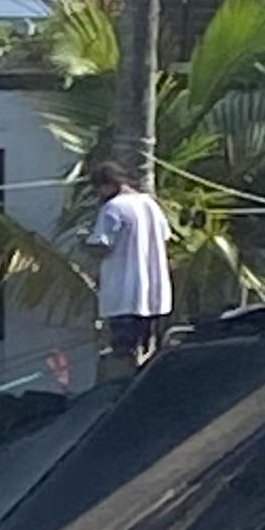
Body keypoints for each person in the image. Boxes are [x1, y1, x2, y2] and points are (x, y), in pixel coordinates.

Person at [87, 152, 174, 377]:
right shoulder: (150, 205)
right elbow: (166, 237)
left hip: (124, 294)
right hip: (153, 297)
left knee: (124, 354)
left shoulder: (113, 209)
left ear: (107, 185)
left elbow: (102, 245)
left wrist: (85, 241)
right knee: (148, 351)